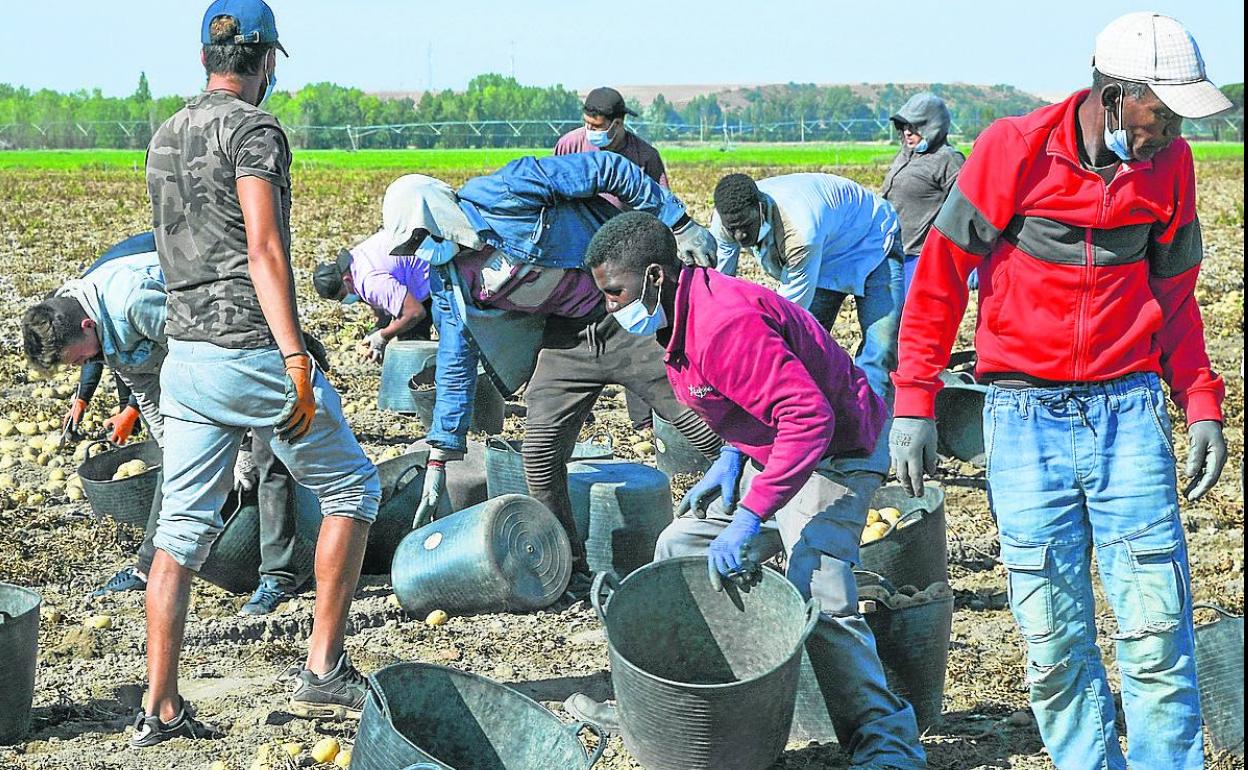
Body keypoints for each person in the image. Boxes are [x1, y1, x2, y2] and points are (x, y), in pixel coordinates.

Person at [888, 13, 1229, 769]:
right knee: (1052, 639)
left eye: (1179, 118)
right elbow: (939, 282)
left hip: (1128, 414)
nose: (1173, 132)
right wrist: (914, 400)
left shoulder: (1169, 169)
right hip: (1023, 417)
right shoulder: (1012, 150)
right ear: (1115, 92)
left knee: (1156, 634)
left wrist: (1199, 398)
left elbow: (1175, 297)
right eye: (1161, 113)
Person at [584, 210, 927, 770]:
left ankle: (886, 742)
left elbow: (808, 419)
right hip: (775, 456)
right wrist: (731, 454)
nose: (610, 306)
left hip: (838, 453)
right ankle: (696, 704)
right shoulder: (681, 314)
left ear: (652, 279)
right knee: (681, 549)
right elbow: (748, 398)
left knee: (820, 590)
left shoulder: (723, 322)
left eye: (614, 292)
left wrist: (750, 515)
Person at [137, 0, 380, 746]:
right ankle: (322, 667)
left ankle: (159, 707)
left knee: (178, 536)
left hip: (187, 360)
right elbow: (264, 248)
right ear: (267, 59)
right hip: (250, 350)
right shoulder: (255, 131)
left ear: (205, 58)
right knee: (353, 488)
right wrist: (296, 357)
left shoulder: (165, 135)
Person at [379, 155, 723, 591]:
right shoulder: (448, 280)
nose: (422, 250)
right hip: (565, 339)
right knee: (539, 455)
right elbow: (454, 359)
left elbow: (608, 169)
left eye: (421, 237)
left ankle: (757, 513)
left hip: (620, 311)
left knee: (697, 419)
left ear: (440, 213)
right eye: (412, 247)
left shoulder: (507, 192)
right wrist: (440, 453)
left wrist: (677, 221)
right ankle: (569, 569)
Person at [710, 172, 905, 476]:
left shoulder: (800, 229)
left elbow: (787, 316)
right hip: (827, 252)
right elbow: (720, 284)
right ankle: (818, 433)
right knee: (808, 354)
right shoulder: (724, 221)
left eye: (745, 227)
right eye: (732, 229)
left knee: (879, 351)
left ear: (761, 207)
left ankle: (868, 453)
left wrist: (752, 354)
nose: (739, 237)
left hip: (870, 241)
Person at [555, 85, 671, 429]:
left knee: (637, 330)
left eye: (598, 126)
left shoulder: (643, 155)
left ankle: (645, 418)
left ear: (618, 124)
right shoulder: (570, 144)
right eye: (588, 124)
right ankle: (574, 412)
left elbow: (660, 207)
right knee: (573, 330)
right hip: (576, 253)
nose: (591, 132)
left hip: (622, 257)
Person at [880, 93, 965, 295]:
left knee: (913, 318)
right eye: (904, 126)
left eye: (914, 126)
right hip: (890, 252)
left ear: (932, 126)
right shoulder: (905, 155)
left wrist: (972, 260)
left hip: (920, 258)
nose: (908, 132)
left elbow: (966, 208)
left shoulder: (947, 159)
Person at [312, 230, 433, 362]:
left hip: (436, 269)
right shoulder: (354, 260)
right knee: (407, 332)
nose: (344, 301)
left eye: (342, 296)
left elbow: (415, 312)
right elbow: (381, 304)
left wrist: (383, 337)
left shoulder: (370, 282)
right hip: (420, 254)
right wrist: (377, 329)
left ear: (346, 280)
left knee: (415, 344)